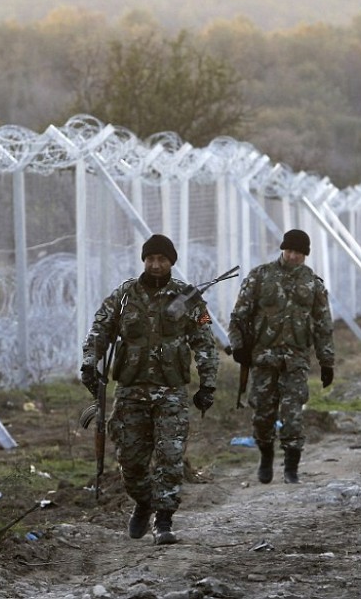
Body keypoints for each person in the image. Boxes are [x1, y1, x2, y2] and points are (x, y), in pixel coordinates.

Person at [80, 234, 219, 545]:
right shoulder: (125, 295)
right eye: (151, 259)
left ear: (172, 262)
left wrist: (207, 383)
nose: (156, 264)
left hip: (171, 392)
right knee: (130, 459)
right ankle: (143, 502)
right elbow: (100, 327)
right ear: (144, 260)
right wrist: (90, 363)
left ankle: (165, 520)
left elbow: (205, 343)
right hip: (131, 392)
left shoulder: (189, 299)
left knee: (170, 457)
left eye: (163, 259)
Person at [228, 229, 335, 484]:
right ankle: (266, 457)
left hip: (295, 362)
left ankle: (291, 467)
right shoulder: (260, 277)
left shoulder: (313, 284)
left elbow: (323, 326)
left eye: (299, 252)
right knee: (262, 415)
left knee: (293, 416)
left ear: (305, 255)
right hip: (263, 360)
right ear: (282, 249)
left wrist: (326, 361)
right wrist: (239, 346)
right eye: (290, 251)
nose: (293, 256)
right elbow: (238, 317)